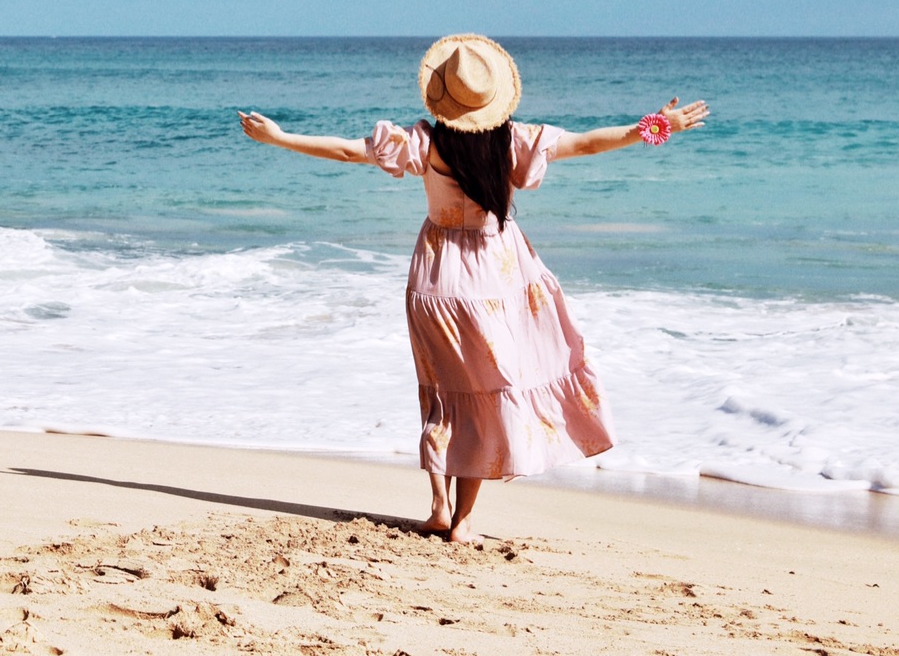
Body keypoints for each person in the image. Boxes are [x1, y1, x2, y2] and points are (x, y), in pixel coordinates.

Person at [238, 34, 707, 542]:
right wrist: (657, 126)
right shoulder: (516, 141)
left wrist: (279, 138)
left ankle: (439, 506)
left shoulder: (423, 142)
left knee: (443, 392)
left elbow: (349, 153)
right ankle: (461, 522)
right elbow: (591, 142)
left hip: (436, 278)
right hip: (497, 280)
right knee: (487, 392)